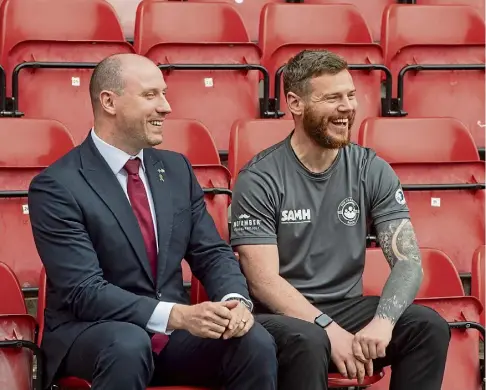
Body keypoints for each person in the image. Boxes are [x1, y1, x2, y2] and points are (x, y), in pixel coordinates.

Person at [28, 53, 278, 390]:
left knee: (253, 341)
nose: (166, 107)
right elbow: (83, 292)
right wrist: (178, 315)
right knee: (129, 345)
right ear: (109, 102)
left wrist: (235, 301)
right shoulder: (57, 186)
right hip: (92, 330)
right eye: (151, 95)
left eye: (164, 94)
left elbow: (212, 253)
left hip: (169, 336)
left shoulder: (175, 169)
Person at [230, 49, 451, 390]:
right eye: (333, 97)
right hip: (278, 316)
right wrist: (329, 330)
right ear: (295, 103)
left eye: (350, 95)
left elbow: (409, 263)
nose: (348, 107)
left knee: (427, 327)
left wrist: (383, 322)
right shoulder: (260, 178)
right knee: (310, 340)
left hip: (346, 307)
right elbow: (264, 283)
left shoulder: (369, 168)